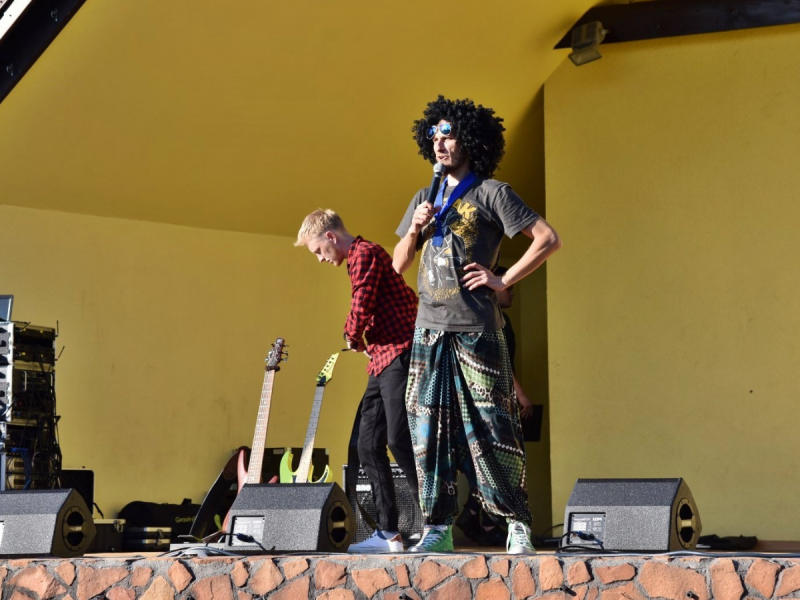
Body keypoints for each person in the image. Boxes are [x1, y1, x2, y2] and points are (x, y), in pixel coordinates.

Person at [393, 96, 561, 554]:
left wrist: (503, 278)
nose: (439, 144)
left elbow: (547, 239)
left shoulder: (492, 192)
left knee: (493, 425)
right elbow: (398, 264)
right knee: (427, 429)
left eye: (448, 135)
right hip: (429, 329)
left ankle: (516, 523)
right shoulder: (424, 198)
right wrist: (416, 228)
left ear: (470, 140)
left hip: (476, 328)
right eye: (434, 136)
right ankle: (437, 527)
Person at [295, 209, 419, 553]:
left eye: (318, 251)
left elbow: (361, 303)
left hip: (399, 353)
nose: (320, 259)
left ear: (331, 237)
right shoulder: (358, 258)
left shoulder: (364, 253)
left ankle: (438, 520)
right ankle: (388, 533)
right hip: (382, 358)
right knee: (367, 445)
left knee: (399, 440)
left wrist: (352, 336)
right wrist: (363, 339)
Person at [455, 265, 535, 546]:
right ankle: (485, 520)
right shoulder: (494, 323)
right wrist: (521, 395)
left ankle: (475, 515)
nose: (512, 293)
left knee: (488, 458)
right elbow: (501, 365)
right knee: (496, 458)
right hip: (492, 399)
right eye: (508, 288)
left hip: (491, 396)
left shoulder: (497, 320)